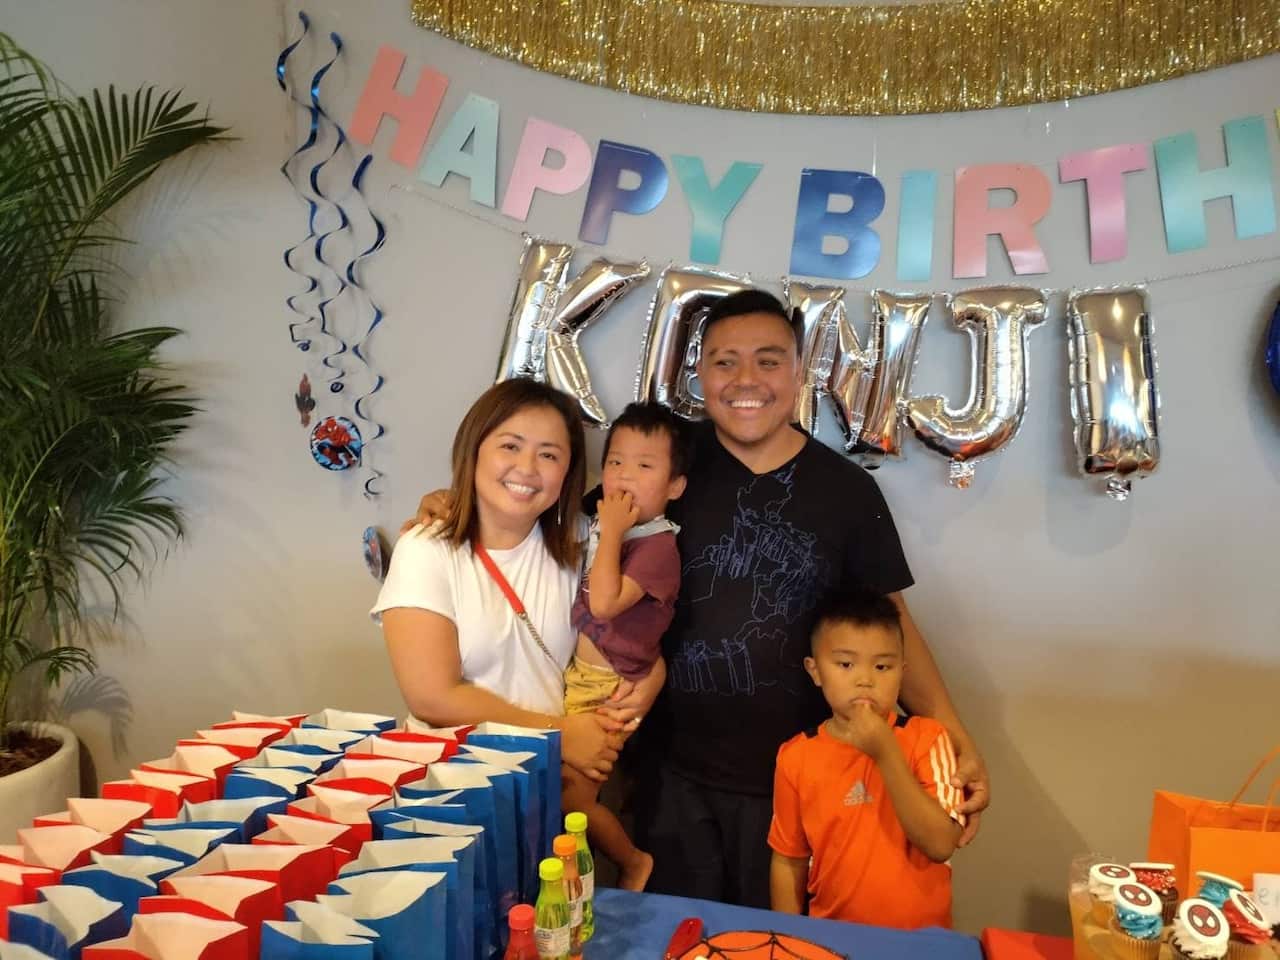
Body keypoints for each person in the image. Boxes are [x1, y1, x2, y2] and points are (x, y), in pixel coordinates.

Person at [410, 290, 990, 907]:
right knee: (665, 932)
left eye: (768, 361)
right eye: (724, 362)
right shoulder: (663, 462)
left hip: (796, 777)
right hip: (666, 774)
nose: (746, 380)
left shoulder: (846, 491)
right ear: (701, 374)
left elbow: (890, 621)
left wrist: (952, 731)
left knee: (774, 941)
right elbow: (543, 513)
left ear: (800, 372)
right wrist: (452, 508)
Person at [371, 378, 664, 782]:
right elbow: (431, 697)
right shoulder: (425, 549)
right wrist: (561, 733)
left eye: (548, 454)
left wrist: (652, 675)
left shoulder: (586, 542)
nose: (526, 469)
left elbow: (623, 626)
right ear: (474, 449)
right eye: (510, 446)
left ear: (568, 471)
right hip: (454, 784)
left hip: (550, 780)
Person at [769, 589, 963, 929]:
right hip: (832, 934)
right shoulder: (796, 755)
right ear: (815, 671)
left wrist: (885, 751)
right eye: (845, 664)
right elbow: (789, 860)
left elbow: (941, 843)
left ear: (902, 672)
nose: (865, 679)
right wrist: (788, 937)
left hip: (920, 941)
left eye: (882, 666)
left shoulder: (927, 738)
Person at [562, 402, 687, 893]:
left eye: (644, 465)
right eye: (616, 462)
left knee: (575, 799)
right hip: (581, 674)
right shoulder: (602, 526)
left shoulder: (657, 548)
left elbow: (608, 602)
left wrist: (611, 531)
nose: (625, 476)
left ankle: (634, 862)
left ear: (675, 487)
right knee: (562, 795)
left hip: (610, 687)